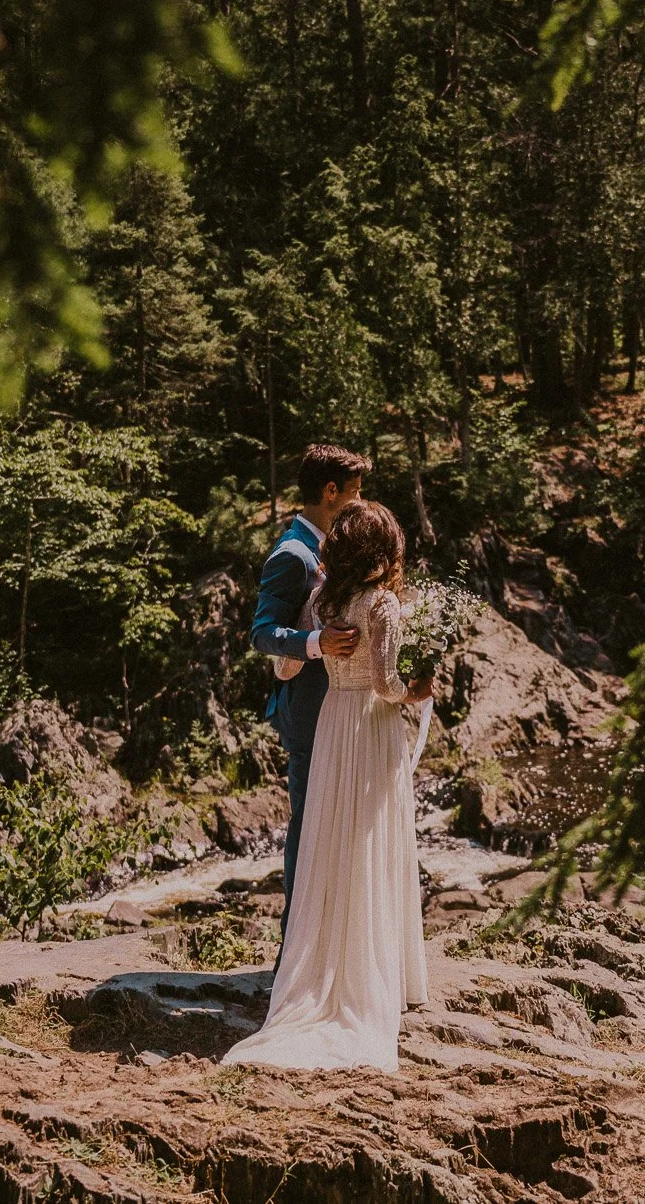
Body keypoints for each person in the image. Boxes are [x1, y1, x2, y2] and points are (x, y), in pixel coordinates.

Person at [224, 500, 434, 1072]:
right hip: (369, 725)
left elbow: (286, 666)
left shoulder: (324, 600)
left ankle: (321, 967)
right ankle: (378, 976)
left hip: (333, 723)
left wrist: (317, 646)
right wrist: (421, 687)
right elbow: (389, 685)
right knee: (371, 839)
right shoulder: (383, 602)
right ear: (384, 549)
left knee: (330, 838)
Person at [250, 445, 369, 930]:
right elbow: (262, 633)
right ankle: (294, 946)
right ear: (330, 491)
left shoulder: (332, 545)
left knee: (337, 826)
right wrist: (318, 642)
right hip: (307, 714)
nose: (361, 502)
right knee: (308, 828)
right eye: (356, 492)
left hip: (340, 710)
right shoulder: (293, 555)